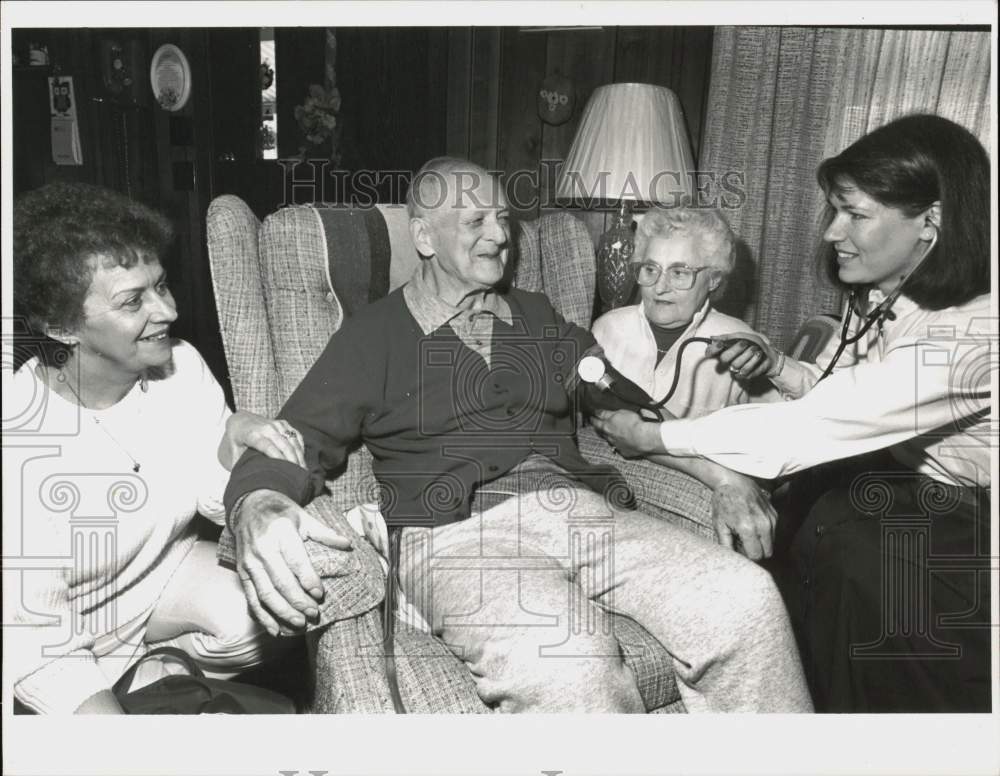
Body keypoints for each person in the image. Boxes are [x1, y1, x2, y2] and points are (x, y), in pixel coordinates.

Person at [223, 156, 813, 713]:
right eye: (475, 221)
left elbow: (625, 415)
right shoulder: (372, 335)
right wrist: (257, 503)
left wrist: (724, 476)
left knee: (748, 601)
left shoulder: (536, 315)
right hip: (455, 539)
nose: (499, 235)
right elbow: (294, 436)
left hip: (581, 513)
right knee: (569, 661)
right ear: (425, 238)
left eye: (503, 219)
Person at [591, 114, 992, 712]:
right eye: (834, 211)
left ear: (930, 221)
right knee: (802, 524)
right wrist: (777, 366)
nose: (833, 232)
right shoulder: (884, 296)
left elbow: (817, 424)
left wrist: (655, 438)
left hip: (958, 524)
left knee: (856, 563)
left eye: (855, 214)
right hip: (886, 482)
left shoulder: (972, 329)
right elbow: (831, 386)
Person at [7, 183, 306, 714]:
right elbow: (37, 647)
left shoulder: (181, 365)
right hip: (51, 636)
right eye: (132, 301)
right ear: (60, 326)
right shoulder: (19, 441)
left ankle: (154, 665)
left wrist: (234, 453)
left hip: (158, 585)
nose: (167, 310)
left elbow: (216, 501)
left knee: (275, 607)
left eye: (161, 286)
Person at [591, 206, 780, 559]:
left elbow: (772, 444)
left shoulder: (741, 344)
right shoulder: (607, 329)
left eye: (680, 272)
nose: (660, 286)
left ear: (714, 279)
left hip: (688, 500)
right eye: (650, 269)